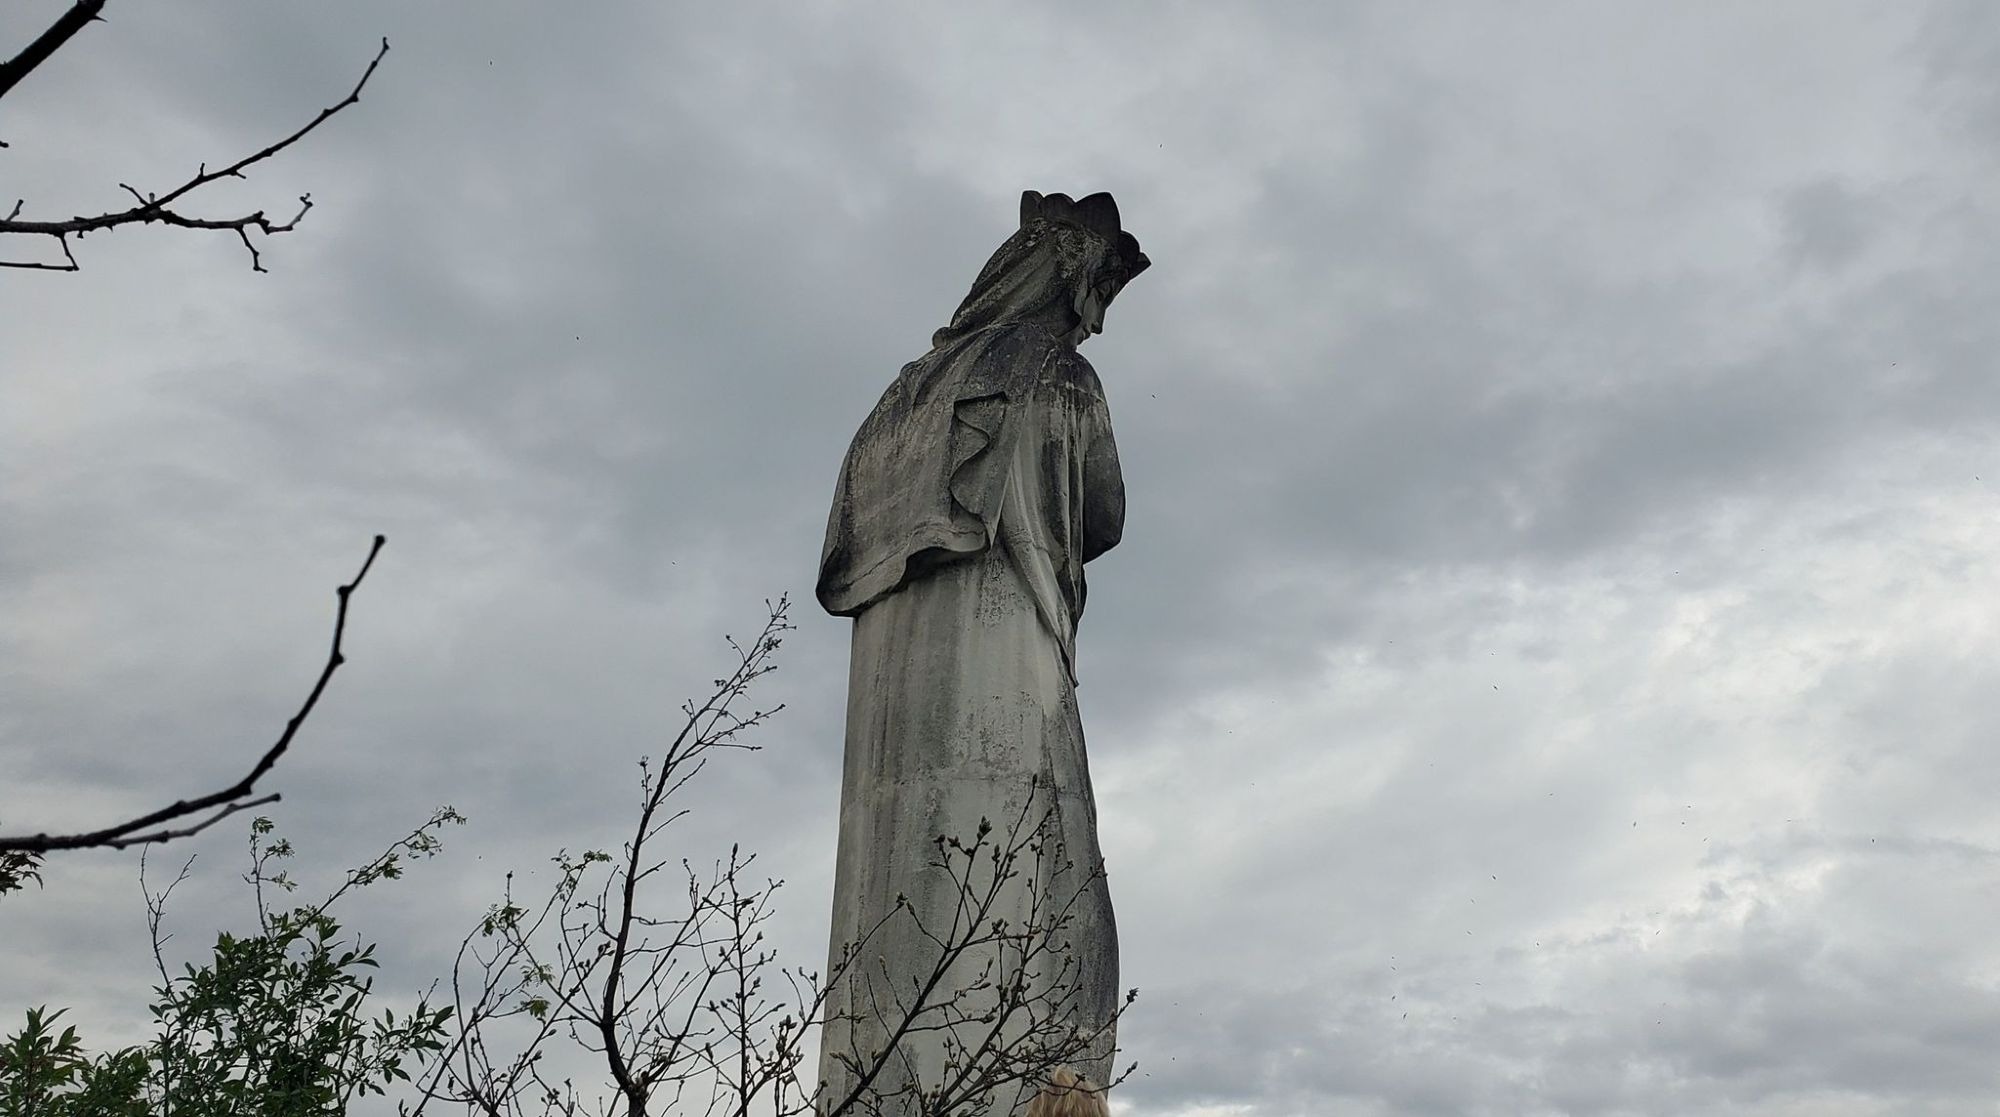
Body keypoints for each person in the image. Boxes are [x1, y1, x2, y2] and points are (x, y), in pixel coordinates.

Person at [815, 191, 1147, 1114]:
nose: (1094, 319)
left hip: (885, 712)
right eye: (1095, 293)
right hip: (1005, 656)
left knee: (889, 926)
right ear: (1065, 281)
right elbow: (1107, 511)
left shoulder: (897, 401)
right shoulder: (1059, 375)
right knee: (1036, 899)